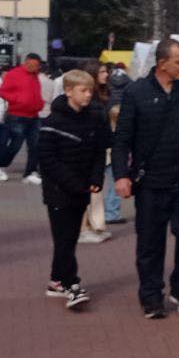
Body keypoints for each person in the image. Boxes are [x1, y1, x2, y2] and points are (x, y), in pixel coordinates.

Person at [112, 38, 179, 319]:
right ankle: (151, 295)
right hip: (151, 181)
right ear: (162, 63)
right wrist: (121, 175)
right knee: (150, 241)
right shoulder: (136, 92)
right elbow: (122, 139)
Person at [38, 69, 109, 310]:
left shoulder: (94, 119)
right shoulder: (52, 122)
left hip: (81, 190)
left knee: (68, 240)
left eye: (90, 90)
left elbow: (100, 151)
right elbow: (48, 160)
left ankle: (56, 281)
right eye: (83, 90)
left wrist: (96, 178)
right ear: (69, 91)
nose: (88, 95)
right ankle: (71, 283)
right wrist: (73, 184)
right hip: (59, 190)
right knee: (65, 239)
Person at [0, 54, 45, 183]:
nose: (37, 68)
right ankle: (0, 165)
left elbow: (35, 93)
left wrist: (39, 104)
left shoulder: (35, 76)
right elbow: (2, 91)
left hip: (33, 115)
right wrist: (17, 100)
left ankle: (29, 173)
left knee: (35, 145)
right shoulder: (14, 74)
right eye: (35, 65)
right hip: (17, 115)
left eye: (38, 66)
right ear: (27, 63)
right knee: (15, 145)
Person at [79, 62, 112, 242]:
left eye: (106, 71)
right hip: (89, 148)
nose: (106, 74)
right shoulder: (89, 97)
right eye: (102, 71)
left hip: (100, 146)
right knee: (90, 187)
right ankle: (83, 227)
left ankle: (93, 224)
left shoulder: (103, 93)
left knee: (96, 188)